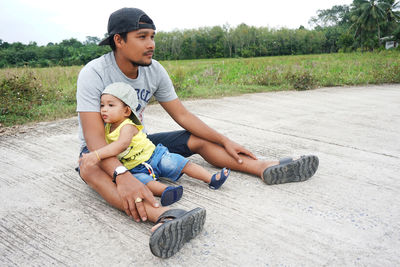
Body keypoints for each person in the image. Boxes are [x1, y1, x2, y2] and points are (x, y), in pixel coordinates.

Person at [76, 7, 319, 258]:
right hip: (103, 152)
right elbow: (94, 140)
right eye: (142, 37)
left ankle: (263, 167)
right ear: (119, 40)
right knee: (89, 166)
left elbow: (183, 116)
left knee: (200, 138)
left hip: (139, 145)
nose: (151, 44)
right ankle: (167, 217)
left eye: (153, 36)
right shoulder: (94, 74)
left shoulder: (154, 70)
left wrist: (225, 140)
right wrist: (122, 175)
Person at [80, 82, 230, 206]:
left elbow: (122, 145)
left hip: (154, 157)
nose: (104, 109)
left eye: (111, 105)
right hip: (135, 168)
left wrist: (97, 155)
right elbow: (99, 143)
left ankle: (211, 179)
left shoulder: (128, 125)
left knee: (180, 163)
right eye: (102, 105)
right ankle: (167, 191)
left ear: (126, 111)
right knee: (144, 182)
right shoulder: (105, 129)